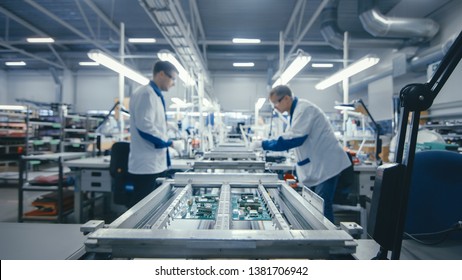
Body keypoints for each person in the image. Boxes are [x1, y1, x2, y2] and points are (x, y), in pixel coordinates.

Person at [251, 85, 351, 222]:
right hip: (318, 165)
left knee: (321, 207)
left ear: (286, 98)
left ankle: (328, 241)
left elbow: (293, 139)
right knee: (313, 206)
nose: (274, 107)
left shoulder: (304, 110)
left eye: (276, 102)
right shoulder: (296, 111)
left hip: (327, 166)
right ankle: (318, 238)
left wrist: (263, 144)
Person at [128, 60, 184, 207]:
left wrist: (166, 125)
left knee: (153, 207)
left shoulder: (155, 95)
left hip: (155, 163)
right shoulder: (146, 94)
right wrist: (170, 143)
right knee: (142, 208)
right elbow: (145, 128)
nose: (173, 83)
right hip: (146, 165)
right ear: (161, 74)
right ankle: (136, 231)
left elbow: (152, 123)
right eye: (172, 78)